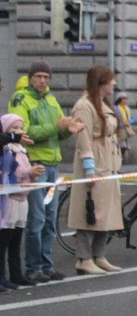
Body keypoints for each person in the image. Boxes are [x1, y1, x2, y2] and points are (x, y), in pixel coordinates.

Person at [8, 60, 84, 282]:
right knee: (36, 219)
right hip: (34, 166)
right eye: (38, 76)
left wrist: (68, 130)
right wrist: (57, 127)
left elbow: (57, 133)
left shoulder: (51, 100)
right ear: (31, 77)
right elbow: (25, 132)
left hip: (52, 166)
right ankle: (33, 267)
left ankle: (47, 265)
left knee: (50, 218)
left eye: (46, 77)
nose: (42, 81)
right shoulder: (21, 99)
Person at [68, 66, 124, 275]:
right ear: (101, 82)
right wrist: (89, 169)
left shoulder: (103, 104)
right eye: (111, 80)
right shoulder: (84, 106)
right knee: (89, 213)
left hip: (109, 166)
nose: (114, 84)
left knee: (106, 214)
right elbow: (83, 139)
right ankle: (84, 258)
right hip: (95, 167)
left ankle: (99, 256)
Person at [0, 113, 43, 291]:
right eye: (14, 128)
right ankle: (2, 277)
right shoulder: (6, 150)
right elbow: (11, 172)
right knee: (3, 240)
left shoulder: (22, 150)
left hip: (22, 197)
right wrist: (29, 172)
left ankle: (17, 274)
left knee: (17, 239)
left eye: (20, 127)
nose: (19, 132)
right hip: (9, 199)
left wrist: (33, 175)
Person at [113, 92, 135, 162]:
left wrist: (129, 122)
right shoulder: (115, 108)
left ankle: (118, 159)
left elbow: (132, 118)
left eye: (126, 99)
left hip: (125, 130)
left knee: (123, 146)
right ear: (119, 100)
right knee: (122, 146)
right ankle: (117, 159)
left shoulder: (127, 109)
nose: (126, 100)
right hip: (118, 130)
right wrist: (122, 124)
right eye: (124, 99)